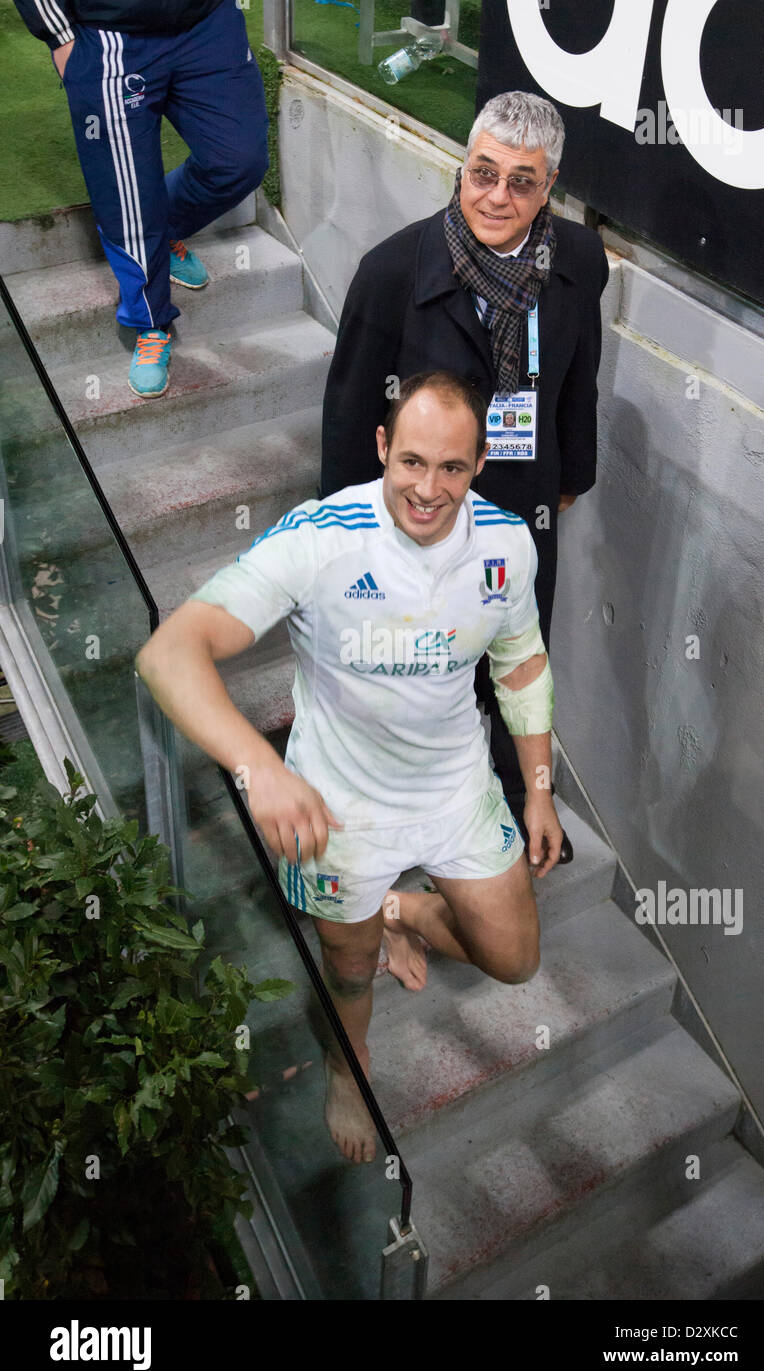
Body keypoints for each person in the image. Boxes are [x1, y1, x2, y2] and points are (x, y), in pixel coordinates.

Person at [136, 371, 562, 1164]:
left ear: (479, 467)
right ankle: (347, 1065)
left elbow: (521, 662)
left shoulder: (506, 543)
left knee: (515, 957)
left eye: (451, 468)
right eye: (411, 462)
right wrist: (259, 767)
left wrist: (537, 789)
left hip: (455, 790)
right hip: (341, 809)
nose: (428, 489)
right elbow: (168, 654)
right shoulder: (320, 538)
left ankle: (404, 910)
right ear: (381, 449)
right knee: (350, 966)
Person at [321, 90, 610, 855]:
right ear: (461, 170)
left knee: (518, 659)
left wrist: (568, 476)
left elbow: (578, 379)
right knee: (421, 668)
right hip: (418, 519)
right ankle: (410, 819)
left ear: (549, 188)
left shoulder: (578, 259)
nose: (497, 196)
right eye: (484, 173)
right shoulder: (391, 274)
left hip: (521, 511)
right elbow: (352, 423)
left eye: (522, 181)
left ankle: (519, 806)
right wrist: (351, 538)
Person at [13, 0, 269, 398]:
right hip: (110, 34)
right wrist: (60, 37)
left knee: (239, 161)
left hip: (209, 22)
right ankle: (150, 323)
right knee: (125, 195)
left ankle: (162, 231)